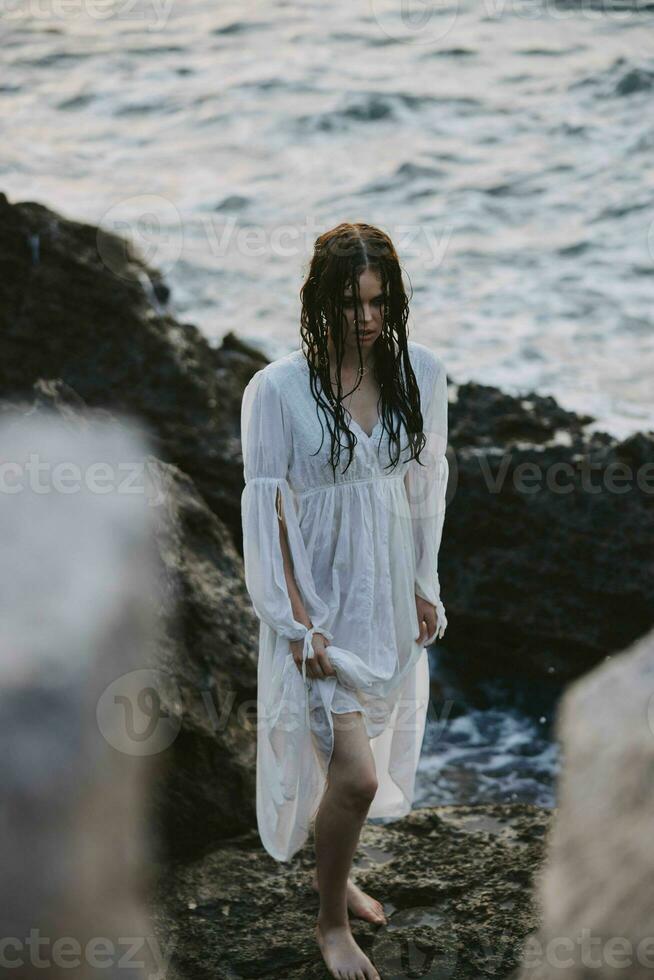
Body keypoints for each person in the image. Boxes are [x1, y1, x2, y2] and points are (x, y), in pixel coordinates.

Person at [240, 221, 449, 980]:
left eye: (378, 299)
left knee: (351, 775)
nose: (365, 317)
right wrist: (296, 622)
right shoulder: (276, 390)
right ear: (319, 299)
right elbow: (267, 512)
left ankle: (338, 874)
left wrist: (424, 584)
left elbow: (426, 483)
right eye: (350, 300)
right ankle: (330, 920)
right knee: (356, 776)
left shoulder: (417, 371)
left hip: (386, 596)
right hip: (321, 610)